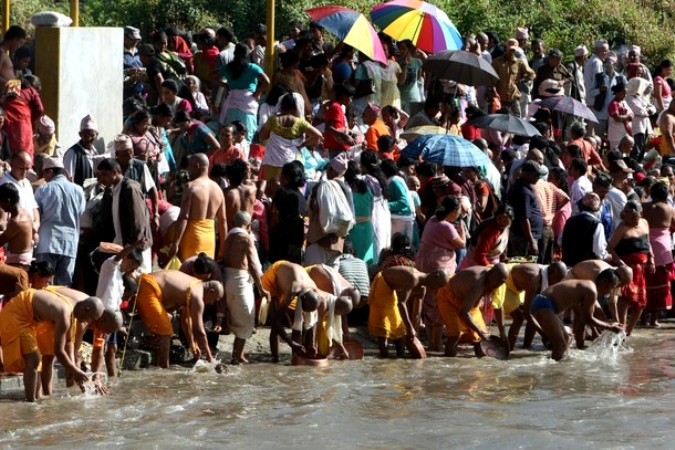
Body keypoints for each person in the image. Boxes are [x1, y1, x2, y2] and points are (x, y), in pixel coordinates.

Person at [0, 289, 103, 401]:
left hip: (30, 320)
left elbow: (68, 344)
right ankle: (31, 403)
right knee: (34, 359)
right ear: (86, 309)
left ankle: (36, 398)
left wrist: (74, 369)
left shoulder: (72, 311)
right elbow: (59, 351)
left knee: (37, 362)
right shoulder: (64, 314)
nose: (89, 322)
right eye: (91, 318)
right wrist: (75, 370)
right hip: (16, 314)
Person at [134, 270, 223, 368]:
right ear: (211, 291)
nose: (211, 303)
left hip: (146, 282)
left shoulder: (195, 285)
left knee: (166, 326)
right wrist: (210, 358)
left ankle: (157, 363)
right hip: (149, 287)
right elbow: (199, 331)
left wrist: (192, 345)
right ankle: (163, 369)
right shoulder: (198, 296)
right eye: (214, 299)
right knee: (166, 333)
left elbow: (185, 321)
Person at [531, 273, 623, 361]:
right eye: (612, 287)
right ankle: (553, 374)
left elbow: (583, 318)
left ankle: (561, 369)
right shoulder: (591, 290)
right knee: (560, 344)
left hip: (544, 304)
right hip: (544, 303)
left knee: (566, 340)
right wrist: (610, 327)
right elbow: (587, 319)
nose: (611, 291)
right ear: (605, 282)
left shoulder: (589, 285)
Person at [415, 196, 466, 350]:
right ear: (452, 212)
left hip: (424, 265)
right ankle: (435, 344)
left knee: (429, 304)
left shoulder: (431, 221)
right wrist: (462, 231)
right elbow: (461, 244)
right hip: (439, 268)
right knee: (439, 304)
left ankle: (431, 342)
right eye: (458, 211)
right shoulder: (446, 226)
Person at [369, 265, 449, 358]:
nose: (437, 289)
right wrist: (410, 327)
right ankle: (384, 357)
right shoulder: (414, 278)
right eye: (439, 285)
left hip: (391, 290)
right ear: (436, 276)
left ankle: (401, 357)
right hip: (383, 285)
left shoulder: (422, 288)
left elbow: (417, 313)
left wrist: (413, 331)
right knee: (384, 327)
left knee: (399, 328)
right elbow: (401, 303)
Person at [222, 211, 269, 364]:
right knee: (246, 319)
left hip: (227, 278)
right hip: (239, 281)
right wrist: (261, 288)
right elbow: (254, 266)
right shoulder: (245, 238)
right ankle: (236, 356)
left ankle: (238, 354)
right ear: (249, 225)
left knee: (238, 317)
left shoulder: (229, 236)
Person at [436, 264, 509, 357]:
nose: (499, 284)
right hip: (448, 298)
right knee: (455, 334)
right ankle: (449, 363)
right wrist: (479, 331)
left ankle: (480, 368)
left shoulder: (499, 283)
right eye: (498, 281)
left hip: (469, 304)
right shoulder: (477, 282)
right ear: (490, 274)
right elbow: (464, 313)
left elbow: (498, 306)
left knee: (481, 336)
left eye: (502, 282)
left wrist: (502, 332)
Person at [34, 157, 86, 286]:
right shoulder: (78, 190)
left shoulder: (43, 190)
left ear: (50, 172)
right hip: (69, 244)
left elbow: (36, 214)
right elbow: (80, 213)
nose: (44, 179)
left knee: (44, 283)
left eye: (45, 174)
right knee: (64, 286)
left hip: (47, 242)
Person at [167, 153, 226, 262]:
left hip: (192, 238)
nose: (188, 170)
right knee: (205, 273)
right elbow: (223, 221)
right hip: (210, 238)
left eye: (189, 166)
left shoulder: (191, 187)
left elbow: (184, 216)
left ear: (197, 166)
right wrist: (223, 247)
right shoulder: (218, 189)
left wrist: (176, 243)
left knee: (188, 275)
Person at [495, 262, 568, 350]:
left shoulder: (544, 274)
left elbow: (537, 311)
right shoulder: (534, 279)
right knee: (519, 318)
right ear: (551, 272)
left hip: (518, 288)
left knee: (534, 310)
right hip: (505, 284)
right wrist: (544, 335)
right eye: (558, 279)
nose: (558, 283)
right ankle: (508, 349)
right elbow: (527, 313)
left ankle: (526, 346)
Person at [606, 201, 654, 336]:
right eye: (629, 217)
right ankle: (622, 328)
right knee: (625, 299)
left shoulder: (644, 223)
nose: (632, 220)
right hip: (626, 269)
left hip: (641, 269)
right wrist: (620, 263)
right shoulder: (622, 227)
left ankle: (629, 331)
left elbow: (648, 242)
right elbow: (610, 248)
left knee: (641, 302)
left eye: (635, 217)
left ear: (641, 214)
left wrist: (652, 258)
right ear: (624, 215)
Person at [261, 260, 322, 362]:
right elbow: (277, 321)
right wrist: (291, 343)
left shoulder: (314, 289)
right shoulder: (293, 289)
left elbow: (313, 321)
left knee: (296, 320)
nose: (303, 311)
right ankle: (275, 358)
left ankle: (297, 355)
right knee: (275, 320)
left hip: (291, 278)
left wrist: (311, 344)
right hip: (274, 276)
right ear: (303, 299)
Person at [259, 93, 322, 181]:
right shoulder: (300, 122)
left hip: (272, 162)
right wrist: (302, 145)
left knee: (271, 187)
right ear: (297, 106)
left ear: (282, 105)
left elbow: (262, 136)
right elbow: (318, 135)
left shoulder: (273, 120)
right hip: (292, 164)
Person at [219, 43, 270, 141]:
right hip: (248, 103)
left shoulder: (229, 67)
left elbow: (211, 76)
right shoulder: (253, 67)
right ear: (247, 54)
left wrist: (225, 86)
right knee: (245, 137)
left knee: (231, 137)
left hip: (231, 104)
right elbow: (266, 82)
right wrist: (257, 94)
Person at [640, 182, 674, 327]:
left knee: (643, 282)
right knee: (660, 285)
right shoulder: (669, 209)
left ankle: (641, 316)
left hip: (644, 246)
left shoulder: (644, 207)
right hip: (662, 248)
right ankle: (654, 319)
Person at [269, 161, 306, 264]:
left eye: (281, 174)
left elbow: (275, 218)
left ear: (286, 179)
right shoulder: (302, 197)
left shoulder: (282, 193)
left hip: (281, 243)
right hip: (297, 244)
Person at [0, 151, 40, 245]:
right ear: (12, 164)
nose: (24, 172)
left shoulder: (27, 183)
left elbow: (34, 207)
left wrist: (36, 224)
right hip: (12, 236)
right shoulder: (4, 183)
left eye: (27, 169)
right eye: (21, 168)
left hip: (28, 235)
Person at [561, 192, 609, 266]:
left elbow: (560, 241)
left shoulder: (570, 221)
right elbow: (599, 251)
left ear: (581, 206)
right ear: (598, 209)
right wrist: (607, 256)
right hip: (586, 269)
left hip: (568, 266)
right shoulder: (596, 224)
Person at [491, 39, 536, 117]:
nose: (511, 52)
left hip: (514, 97)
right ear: (506, 48)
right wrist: (494, 92)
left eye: (513, 50)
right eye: (510, 49)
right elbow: (491, 79)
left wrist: (523, 80)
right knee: (499, 119)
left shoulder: (520, 63)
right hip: (500, 97)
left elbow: (532, 74)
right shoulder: (497, 62)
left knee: (517, 119)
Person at [508, 160, 543, 257]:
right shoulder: (523, 191)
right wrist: (531, 241)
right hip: (523, 238)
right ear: (527, 174)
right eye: (536, 175)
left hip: (527, 237)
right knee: (523, 268)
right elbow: (523, 219)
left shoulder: (526, 187)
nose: (538, 178)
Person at [0, 183, 33, 268]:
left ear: (8, 201)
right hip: (21, 262)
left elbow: (1, 240)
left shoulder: (17, 222)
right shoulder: (25, 213)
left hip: (18, 265)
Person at [63, 115, 101, 187]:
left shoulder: (95, 152)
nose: (89, 138)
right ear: (80, 134)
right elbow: (67, 180)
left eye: (92, 135)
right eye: (86, 135)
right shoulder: (72, 153)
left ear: (96, 135)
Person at [323, 83, 356, 159]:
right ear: (344, 96)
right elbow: (328, 128)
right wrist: (345, 136)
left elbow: (338, 127)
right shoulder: (336, 107)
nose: (351, 101)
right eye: (350, 98)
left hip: (338, 146)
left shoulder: (338, 107)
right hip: (336, 147)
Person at [607, 83, 633, 151]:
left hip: (625, 134)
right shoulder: (613, 104)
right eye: (623, 93)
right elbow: (617, 118)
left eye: (626, 93)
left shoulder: (623, 102)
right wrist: (628, 117)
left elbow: (631, 113)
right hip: (616, 135)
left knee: (625, 154)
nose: (625, 95)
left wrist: (630, 116)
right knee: (616, 153)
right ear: (617, 93)